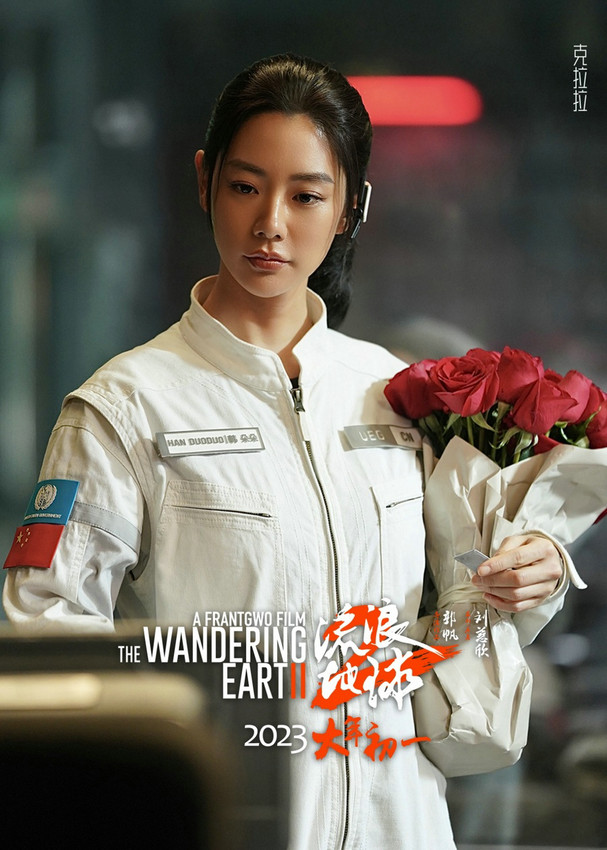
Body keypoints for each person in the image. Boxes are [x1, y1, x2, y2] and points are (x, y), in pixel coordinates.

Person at [3, 54, 569, 848]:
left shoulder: (396, 394)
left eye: (306, 195)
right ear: (204, 181)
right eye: (245, 186)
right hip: (225, 821)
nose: (270, 221)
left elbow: (460, 594)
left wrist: (530, 569)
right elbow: (43, 636)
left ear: (349, 209)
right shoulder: (125, 407)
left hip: (402, 822)